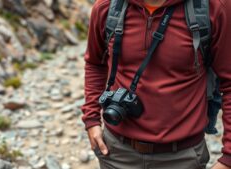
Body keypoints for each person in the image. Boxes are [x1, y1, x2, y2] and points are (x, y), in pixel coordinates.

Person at [81, 0, 231, 168]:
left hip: (183, 158)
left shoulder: (213, 7)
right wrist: (92, 120)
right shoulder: (107, 7)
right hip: (116, 153)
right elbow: (95, 63)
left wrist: (228, 159)